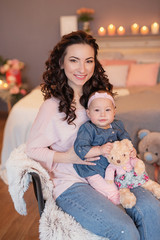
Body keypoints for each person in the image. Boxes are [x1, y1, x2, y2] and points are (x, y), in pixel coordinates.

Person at [26, 30, 160, 240]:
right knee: (125, 231)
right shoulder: (51, 107)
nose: (82, 68)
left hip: (113, 175)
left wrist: (126, 147)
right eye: (74, 60)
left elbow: (112, 133)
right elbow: (32, 149)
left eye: (88, 61)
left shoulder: (98, 98)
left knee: (153, 210)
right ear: (61, 63)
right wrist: (69, 156)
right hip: (73, 183)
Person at [73, 90, 132, 205]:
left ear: (114, 112)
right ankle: (115, 202)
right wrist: (100, 150)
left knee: (126, 180)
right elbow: (80, 149)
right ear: (88, 113)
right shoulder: (88, 129)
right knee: (111, 191)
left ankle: (125, 192)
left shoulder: (117, 125)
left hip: (113, 166)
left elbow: (126, 140)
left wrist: (130, 150)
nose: (103, 114)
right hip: (93, 170)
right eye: (97, 110)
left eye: (107, 110)